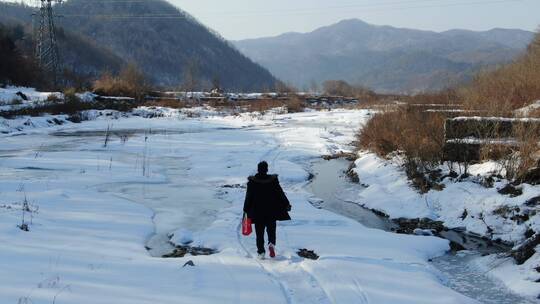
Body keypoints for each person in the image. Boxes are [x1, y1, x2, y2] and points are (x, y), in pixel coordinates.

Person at [243, 161, 291, 259]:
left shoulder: (252, 182)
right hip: (271, 211)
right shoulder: (273, 181)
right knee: (271, 230)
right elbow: (280, 194)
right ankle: (271, 244)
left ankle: (261, 252)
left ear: (258, 169)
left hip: (257, 212)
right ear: (267, 169)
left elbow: (248, 197)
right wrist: (286, 204)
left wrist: (246, 209)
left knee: (259, 233)